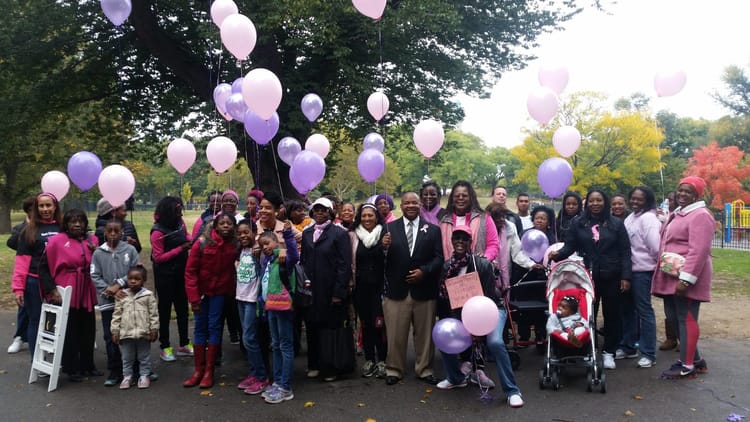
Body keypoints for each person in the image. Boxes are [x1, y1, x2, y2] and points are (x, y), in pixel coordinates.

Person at [435, 227, 524, 408]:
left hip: (491, 310)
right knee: (445, 334)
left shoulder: (482, 265)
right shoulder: (447, 266)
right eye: (456, 238)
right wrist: (463, 324)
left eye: (464, 238)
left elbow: (489, 298)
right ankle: (456, 378)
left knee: (495, 343)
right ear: (452, 241)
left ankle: (512, 391)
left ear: (470, 242)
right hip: (463, 314)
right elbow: (451, 301)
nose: (460, 241)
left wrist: (477, 329)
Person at [548, 189, 632, 370]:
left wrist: (626, 276)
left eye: (599, 200)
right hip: (588, 277)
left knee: (612, 315)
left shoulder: (616, 223)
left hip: (612, 275)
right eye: (592, 201)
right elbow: (570, 246)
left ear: (605, 202)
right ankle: (586, 347)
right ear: (587, 203)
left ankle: (609, 351)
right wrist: (557, 255)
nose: (595, 204)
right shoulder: (579, 223)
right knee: (586, 314)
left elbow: (625, 251)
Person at [652, 176, 713, 379]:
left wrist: (686, 279)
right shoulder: (678, 214)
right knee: (673, 317)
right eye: (680, 190)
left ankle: (687, 366)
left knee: (685, 319)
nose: (682, 194)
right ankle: (696, 360)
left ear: (697, 194)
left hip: (687, 276)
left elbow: (699, 250)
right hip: (671, 274)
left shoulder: (700, 215)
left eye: (688, 191)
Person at [381, 192, 443, 386]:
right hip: (396, 291)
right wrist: (383, 248)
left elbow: (439, 258)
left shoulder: (433, 230)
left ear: (420, 205)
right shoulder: (388, 228)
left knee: (425, 335)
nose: (410, 206)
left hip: (424, 290)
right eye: (406, 203)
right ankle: (394, 369)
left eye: (414, 203)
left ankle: (424, 369)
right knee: (395, 334)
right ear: (401, 205)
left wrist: (424, 272)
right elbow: (378, 259)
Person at [39, 209, 101, 382]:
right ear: (65, 224)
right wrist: (52, 290)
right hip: (66, 289)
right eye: (73, 221)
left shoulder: (92, 240)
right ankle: (71, 367)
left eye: (80, 221)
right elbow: (43, 267)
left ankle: (88, 365)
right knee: (70, 329)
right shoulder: (55, 241)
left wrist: (96, 252)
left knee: (88, 328)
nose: (77, 224)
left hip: (86, 287)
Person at [300, 197, 352, 382]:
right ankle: (314, 364)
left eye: (323, 210)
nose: (320, 213)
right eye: (316, 210)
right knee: (312, 327)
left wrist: (339, 292)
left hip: (330, 290)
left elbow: (344, 265)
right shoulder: (307, 233)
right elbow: (304, 260)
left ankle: (331, 367)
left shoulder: (339, 234)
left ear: (330, 212)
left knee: (330, 329)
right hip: (311, 290)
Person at [183, 214, 238, 388]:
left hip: (220, 293)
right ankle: (198, 370)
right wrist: (193, 298)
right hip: (201, 293)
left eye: (229, 223)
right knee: (200, 328)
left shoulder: (234, 245)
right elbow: (190, 272)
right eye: (222, 223)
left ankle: (209, 371)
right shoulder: (202, 243)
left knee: (214, 327)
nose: (226, 226)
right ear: (215, 226)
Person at [11, 193, 62, 359]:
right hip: (34, 282)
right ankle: (37, 360)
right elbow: (21, 262)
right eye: (42, 206)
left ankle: (54, 361)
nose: (45, 209)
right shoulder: (29, 230)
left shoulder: (63, 228)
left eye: (49, 205)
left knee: (54, 323)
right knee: (36, 321)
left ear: (55, 207)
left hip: (59, 283)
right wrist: (18, 288)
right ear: (36, 208)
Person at [91, 219, 140, 386]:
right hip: (107, 302)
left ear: (122, 233)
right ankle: (115, 369)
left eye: (116, 231)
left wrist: (119, 284)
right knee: (110, 335)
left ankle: (135, 368)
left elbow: (136, 271)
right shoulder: (98, 253)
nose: (112, 234)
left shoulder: (130, 250)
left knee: (131, 333)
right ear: (105, 232)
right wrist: (109, 289)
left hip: (128, 299)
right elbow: (95, 275)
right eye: (109, 231)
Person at [257, 224, 299, 404]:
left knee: (285, 345)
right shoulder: (266, 262)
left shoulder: (283, 259)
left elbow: (294, 255)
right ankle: (277, 381)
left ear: (276, 242)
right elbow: (263, 285)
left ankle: (285, 386)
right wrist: (261, 306)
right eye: (262, 245)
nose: (265, 247)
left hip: (283, 309)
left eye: (267, 243)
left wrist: (288, 235)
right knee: (275, 345)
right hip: (270, 308)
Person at [620, 186, 661, 368]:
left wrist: (650, 267)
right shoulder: (631, 217)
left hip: (642, 272)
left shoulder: (649, 219)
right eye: (633, 198)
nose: (635, 202)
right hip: (629, 271)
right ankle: (629, 347)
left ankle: (648, 353)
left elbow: (656, 248)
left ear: (648, 201)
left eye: (640, 199)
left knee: (644, 311)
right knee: (628, 311)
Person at [150, 196, 193, 362]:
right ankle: (165, 346)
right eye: (178, 209)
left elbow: (186, 235)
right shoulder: (157, 231)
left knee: (182, 308)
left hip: (181, 272)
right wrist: (180, 249)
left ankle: (184, 343)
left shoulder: (179, 223)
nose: (180, 212)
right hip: (165, 276)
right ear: (169, 211)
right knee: (165, 311)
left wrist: (194, 240)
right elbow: (158, 257)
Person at [350, 203, 387, 378]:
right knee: (366, 325)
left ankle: (382, 360)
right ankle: (369, 359)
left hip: (380, 287)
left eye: (370, 215)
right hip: (361, 288)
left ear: (377, 217)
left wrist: (385, 247)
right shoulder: (354, 235)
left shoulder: (384, 234)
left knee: (380, 324)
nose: (367, 219)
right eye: (363, 216)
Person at [235, 220, 269, 395]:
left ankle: (262, 376)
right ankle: (254, 372)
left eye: (246, 232)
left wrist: (259, 247)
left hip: (252, 301)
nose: (242, 236)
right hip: (240, 298)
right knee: (246, 338)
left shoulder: (258, 251)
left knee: (250, 338)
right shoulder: (240, 250)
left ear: (254, 232)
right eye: (239, 233)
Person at [111, 265, 159, 389]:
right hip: (126, 333)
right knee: (127, 358)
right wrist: (115, 331)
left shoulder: (148, 295)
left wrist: (154, 329)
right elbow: (117, 314)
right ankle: (127, 376)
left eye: (137, 279)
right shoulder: (122, 295)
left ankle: (144, 375)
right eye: (130, 278)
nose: (133, 281)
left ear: (143, 280)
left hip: (143, 333)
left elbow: (153, 314)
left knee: (144, 357)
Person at [439, 180, 499, 262]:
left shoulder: (484, 218)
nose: (460, 198)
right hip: (450, 271)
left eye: (464, 195)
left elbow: (493, 244)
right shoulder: (443, 221)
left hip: (477, 270)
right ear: (452, 198)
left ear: (471, 198)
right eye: (457, 195)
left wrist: (484, 259)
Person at [6, 196, 34, 354]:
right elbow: (11, 243)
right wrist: (27, 228)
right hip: (26, 271)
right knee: (24, 306)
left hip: (44, 272)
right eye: (32, 210)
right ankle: (20, 337)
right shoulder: (21, 227)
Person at [658, 190, 680, 351]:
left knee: (680, 306)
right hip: (667, 266)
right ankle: (671, 338)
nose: (671, 202)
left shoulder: (684, 217)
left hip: (680, 267)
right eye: (670, 200)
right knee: (668, 305)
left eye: (673, 200)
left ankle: (683, 338)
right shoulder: (669, 217)